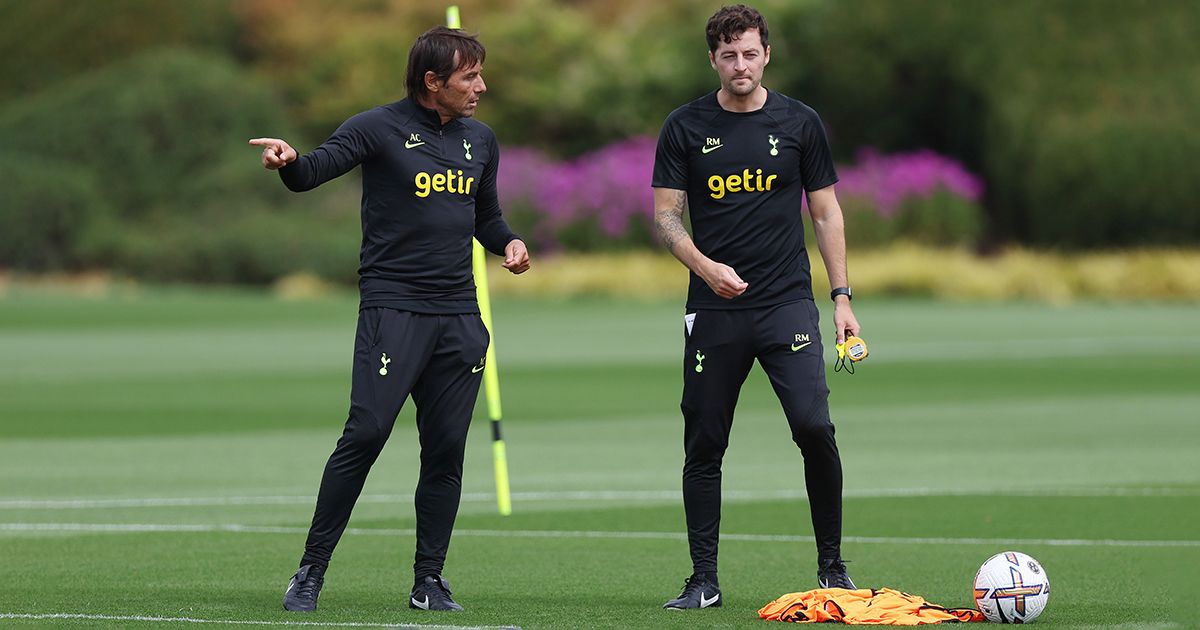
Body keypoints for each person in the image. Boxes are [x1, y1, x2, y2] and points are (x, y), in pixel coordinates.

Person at [249, 26, 529, 613]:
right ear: (433, 82)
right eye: (469, 76)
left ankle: (429, 582)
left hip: (458, 317)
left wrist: (509, 243)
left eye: (479, 73)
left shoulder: (481, 139)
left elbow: (486, 216)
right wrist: (289, 160)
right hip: (393, 309)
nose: (481, 85)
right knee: (367, 432)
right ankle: (310, 572)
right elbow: (312, 172)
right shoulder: (375, 127)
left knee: (446, 448)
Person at [651, 4, 861, 609]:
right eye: (727, 55)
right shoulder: (684, 127)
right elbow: (667, 216)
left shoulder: (801, 122)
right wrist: (706, 268)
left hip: (787, 305)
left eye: (749, 53)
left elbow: (825, 211)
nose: (740, 65)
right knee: (705, 441)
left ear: (766, 54)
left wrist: (841, 297)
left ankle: (832, 568)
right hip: (714, 312)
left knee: (814, 427)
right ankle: (703, 580)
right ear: (713, 59)